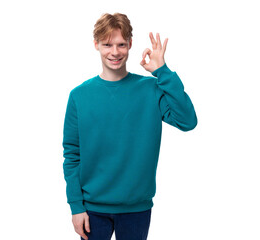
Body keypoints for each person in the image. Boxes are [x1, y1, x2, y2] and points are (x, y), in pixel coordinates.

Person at [62, 12, 197, 240]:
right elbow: (72, 155)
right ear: (96, 44)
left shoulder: (151, 89)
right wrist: (76, 206)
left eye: (121, 44)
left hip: (136, 208)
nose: (115, 52)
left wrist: (162, 71)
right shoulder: (79, 96)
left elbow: (187, 121)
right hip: (92, 208)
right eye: (107, 44)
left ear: (130, 44)